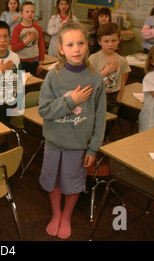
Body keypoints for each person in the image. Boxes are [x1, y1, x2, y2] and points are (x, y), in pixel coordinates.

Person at [38, 22, 106, 240]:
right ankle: (56, 213)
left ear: (87, 46)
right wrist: (71, 101)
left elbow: (100, 117)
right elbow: (45, 111)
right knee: (53, 181)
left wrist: (93, 149)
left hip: (79, 145)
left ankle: (66, 215)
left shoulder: (95, 78)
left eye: (80, 43)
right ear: (61, 48)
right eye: (70, 44)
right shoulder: (53, 76)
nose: (76, 49)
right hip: (54, 143)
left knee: (73, 183)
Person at [89, 23, 131, 140]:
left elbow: (123, 80)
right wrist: (105, 71)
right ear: (99, 41)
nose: (110, 44)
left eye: (114, 41)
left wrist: (119, 97)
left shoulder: (121, 60)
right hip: (97, 95)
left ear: (119, 40)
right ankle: (92, 141)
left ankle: (104, 140)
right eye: (106, 41)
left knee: (110, 121)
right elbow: (88, 79)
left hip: (113, 96)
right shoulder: (94, 58)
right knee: (95, 121)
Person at [11, 1, 45, 77]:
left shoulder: (38, 28)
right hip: (21, 62)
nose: (30, 14)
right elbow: (14, 48)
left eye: (32, 12)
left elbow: (41, 45)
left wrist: (41, 62)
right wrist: (27, 41)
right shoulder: (17, 28)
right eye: (27, 11)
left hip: (35, 62)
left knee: (34, 84)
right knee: (22, 85)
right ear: (21, 14)